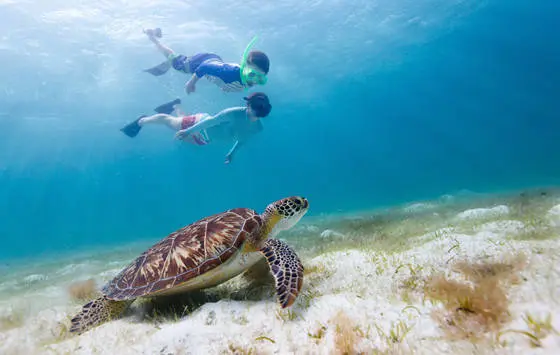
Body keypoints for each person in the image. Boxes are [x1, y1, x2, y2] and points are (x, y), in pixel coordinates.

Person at [120, 92, 272, 164]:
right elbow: (211, 122)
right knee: (170, 122)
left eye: (257, 114)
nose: (253, 115)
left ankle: (176, 104)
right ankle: (141, 121)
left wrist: (232, 153)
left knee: (177, 123)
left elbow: (242, 139)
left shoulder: (258, 128)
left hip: (204, 139)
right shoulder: (233, 113)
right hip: (198, 125)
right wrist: (188, 130)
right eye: (252, 110)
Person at [143, 28, 269, 94]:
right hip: (205, 62)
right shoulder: (231, 72)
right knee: (179, 65)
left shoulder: (246, 79)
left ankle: (179, 58)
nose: (255, 81)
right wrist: (191, 83)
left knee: (189, 65)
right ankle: (153, 38)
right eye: (252, 75)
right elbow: (204, 67)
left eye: (261, 79)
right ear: (243, 67)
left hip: (214, 62)